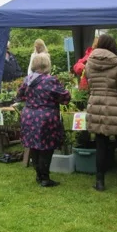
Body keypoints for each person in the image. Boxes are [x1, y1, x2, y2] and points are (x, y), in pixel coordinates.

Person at [85, 34, 117, 191]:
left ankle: (100, 182)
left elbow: (90, 86)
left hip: (97, 107)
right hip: (116, 108)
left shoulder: (89, 63)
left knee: (101, 145)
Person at [16, 53, 71, 187]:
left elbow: (19, 96)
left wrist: (32, 100)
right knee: (47, 147)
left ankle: (39, 175)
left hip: (29, 116)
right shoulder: (49, 80)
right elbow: (65, 98)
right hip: (45, 118)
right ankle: (45, 178)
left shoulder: (27, 79)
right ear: (46, 65)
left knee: (34, 146)